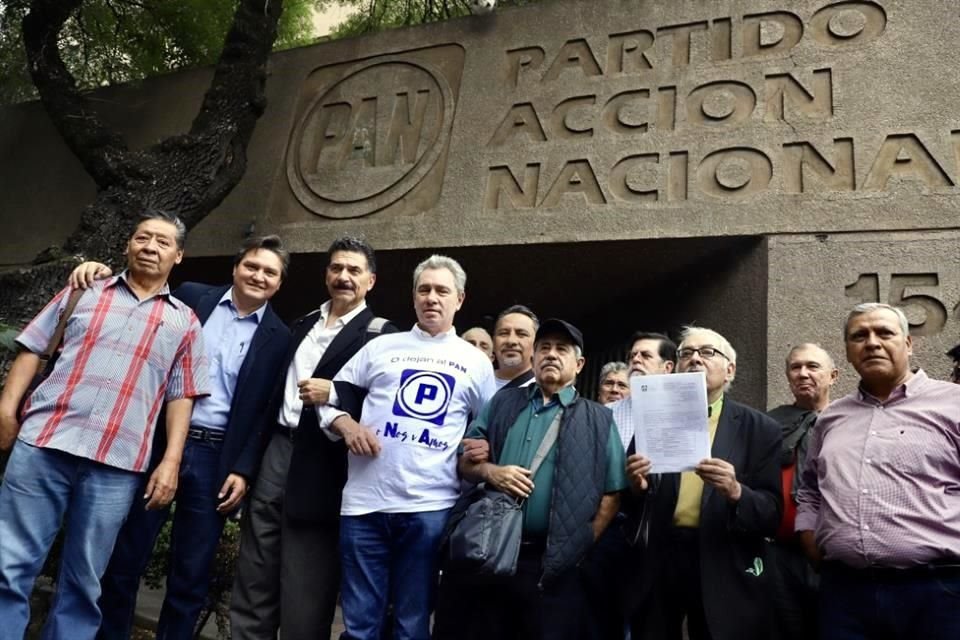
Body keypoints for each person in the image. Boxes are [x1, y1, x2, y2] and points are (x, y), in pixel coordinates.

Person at [63, 236, 293, 639]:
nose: (258, 276)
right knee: (126, 557)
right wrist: (95, 269)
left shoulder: (280, 336)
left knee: (191, 574)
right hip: (157, 443)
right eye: (251, 266)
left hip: (217, 458)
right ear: (236, 267)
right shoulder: (191, 298)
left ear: (279, 282)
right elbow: (138, 287)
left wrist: (244, 469)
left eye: (269, 272)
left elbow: (266, 412)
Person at [0, 211, 210, 640]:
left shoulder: (184, 322)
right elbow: (32, 349)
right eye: (142, 238)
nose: (150, 247)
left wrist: (169, 462)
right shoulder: (82, 291)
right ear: (127, 244)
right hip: (43, 444)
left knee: (83, 584)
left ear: (179, 255)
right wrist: (6, 411)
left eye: (162, 242)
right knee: (8, 565)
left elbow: (181, 396)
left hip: (116, 465)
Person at [318, 254, 496, 640]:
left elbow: (488, 429)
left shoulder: (476, 362)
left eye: (442, 291)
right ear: (413, 296)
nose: (432, 298)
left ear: (459, 299)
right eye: (424, 289)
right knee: (359, 625)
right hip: (364, 504)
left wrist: (479, 449)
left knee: (412, 626)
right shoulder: (381, 347)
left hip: (430, 508)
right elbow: (328, 399)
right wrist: (346, 425)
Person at [230, 235, 395, 640]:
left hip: (327, 463)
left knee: (306, 585)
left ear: (370, 281)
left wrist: (335, 393)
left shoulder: (382, 335)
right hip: (277, 449)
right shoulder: (301, 324)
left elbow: (382, 401)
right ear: (326, 275)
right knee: (255, 572)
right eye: (336, 268)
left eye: (354, 270)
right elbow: (270, 397)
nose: (344, 276)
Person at [446, 318, 627, 640]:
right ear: (533, 358)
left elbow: (612, 494)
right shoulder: (503, 403)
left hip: (553, 565)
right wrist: (492, 472)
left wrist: (579, 546)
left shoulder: (599, 418)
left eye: (561, 349)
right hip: (493, 553)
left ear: (580, 363)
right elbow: (465, 464)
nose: (551, 355)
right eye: (544, 348)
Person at [795, 303, 960, 640]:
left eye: (884, 332)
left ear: (909, 344)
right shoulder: (831, 419)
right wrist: (809, 537)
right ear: (848, 350)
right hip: (845, 594)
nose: (871, 342)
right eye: (859, 336)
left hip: (939, 591)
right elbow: (810, 489)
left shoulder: (953, 403)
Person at [625, 326, 782, 640]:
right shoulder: (654, 414)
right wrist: (636, 486)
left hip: (722, 556)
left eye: (707, 352)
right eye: (686, 353)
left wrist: (736, 492)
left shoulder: (760, 428)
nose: (695, 359)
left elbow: (771, 513)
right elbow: (631, 502)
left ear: (730, 370)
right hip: (661, 557)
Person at [766, 343, 837, 640]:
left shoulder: (849, 420)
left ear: (833, 376)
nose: (803, 373)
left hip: (832, 555)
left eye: (812, 366)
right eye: (795, 368)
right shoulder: (768, 423)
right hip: (777, 553)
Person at [492, 304, 538, 390]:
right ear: (493, 343)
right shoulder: (477, 381)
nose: (511, 341)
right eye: (503, 333)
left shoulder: (547, 390)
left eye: (521, 334)